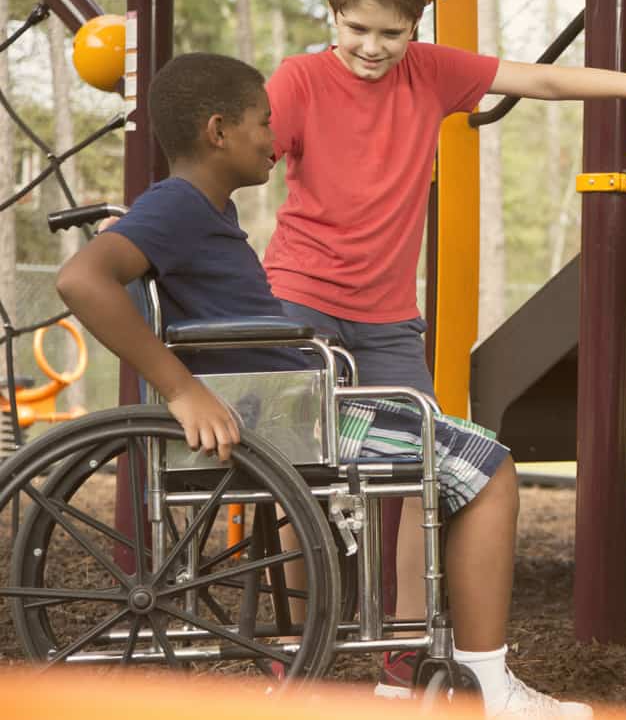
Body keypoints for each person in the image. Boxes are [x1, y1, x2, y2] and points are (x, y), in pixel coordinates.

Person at [55, 53, 591, 720]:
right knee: (490, 468)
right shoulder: (178, 207)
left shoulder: (199, 210)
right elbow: (80, 279)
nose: (273, 139)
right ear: (219, 131)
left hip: (297, 403)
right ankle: (488, 689)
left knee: (465, 449)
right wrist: (181, 389)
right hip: (286, 418)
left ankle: (436, 662)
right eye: (264, 123)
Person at [260, 0, 626, 696]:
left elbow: (544, 81)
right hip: (302, 302)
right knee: (305, 473)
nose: (372, 47)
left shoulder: (429, 74)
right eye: (357, 29)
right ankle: (292, 646)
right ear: (333, 16)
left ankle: (402, 651)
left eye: (390, 33)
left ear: (416, 27)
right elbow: (239, 154)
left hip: (389, 318)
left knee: (418, 477)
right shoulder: (298, 81)